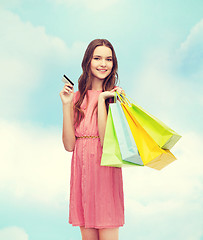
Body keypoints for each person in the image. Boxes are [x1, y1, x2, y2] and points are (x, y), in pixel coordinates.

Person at [59, 39, 125, 240]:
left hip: (105, 171)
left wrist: (103, 99)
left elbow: (106, 142)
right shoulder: (76, 97)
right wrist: (66, 104)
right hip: (82, 172)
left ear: (113, 64)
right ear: (88, 61)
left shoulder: (115, 97)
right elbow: (69, 145)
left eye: (108, 59)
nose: (103, 63)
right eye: (97, 58)